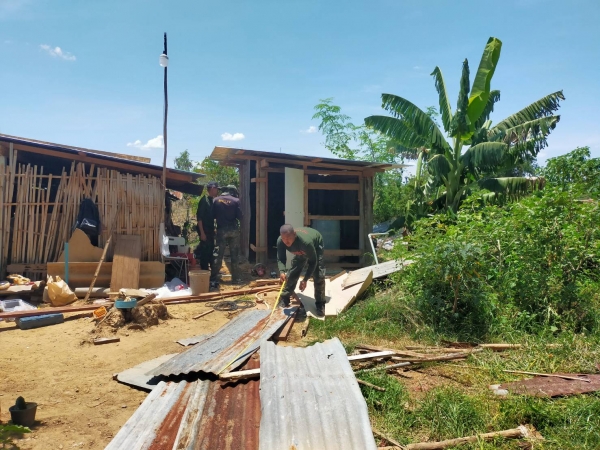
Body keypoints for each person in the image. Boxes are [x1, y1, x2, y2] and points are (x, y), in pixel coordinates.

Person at [276, 224, 326, 317]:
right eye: (283, 238)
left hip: (315, 244)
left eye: (288, 238)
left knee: (318, 275)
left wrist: (305, 279)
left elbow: (313, 262)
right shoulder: (280, 241)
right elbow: (281, 258)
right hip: (301, 249)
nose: (286, 241)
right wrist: (282, 271)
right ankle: (284, 299)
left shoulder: (306, 243)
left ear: (294, 234)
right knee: (292, 272)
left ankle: (320, 304)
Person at [211, 185, 243, 284]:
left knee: (218, 255)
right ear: (232, 192)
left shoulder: (216, 200)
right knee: (234, 255)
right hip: (233, 230)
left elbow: (212, 215)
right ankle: (236, 279)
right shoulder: (236, 201)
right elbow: (240, 216)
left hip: (221, 230)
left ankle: (213, 278)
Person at [194, 181, 219, 278]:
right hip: (205, 231)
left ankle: (210, 275)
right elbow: (199, 218)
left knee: (210, 252)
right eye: (216, 189)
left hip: (210, 231)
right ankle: (204, 274)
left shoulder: (212, 200)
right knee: (204, 253)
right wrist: (202, 233)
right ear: (212, 189)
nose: (217, 191)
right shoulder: (204, 200)